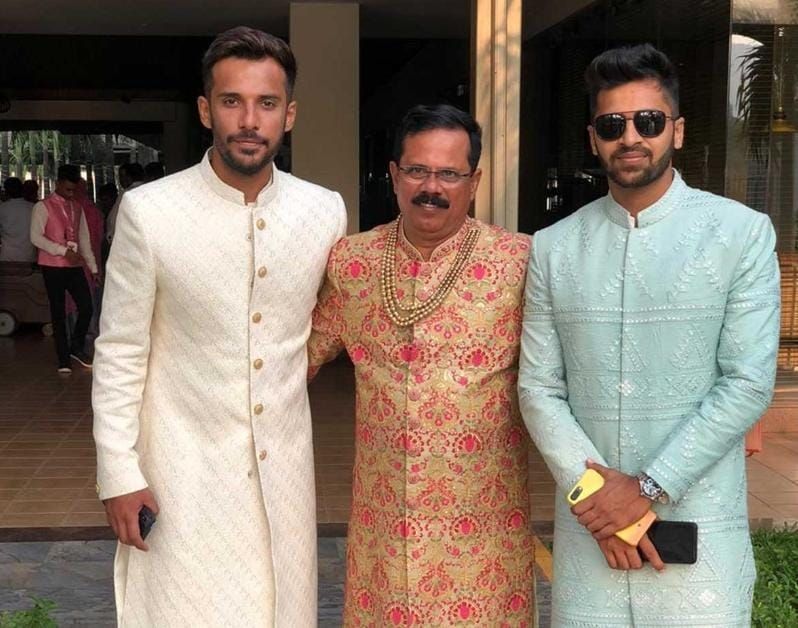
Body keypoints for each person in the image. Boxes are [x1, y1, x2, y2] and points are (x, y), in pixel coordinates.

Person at [518, 43, 780, 627]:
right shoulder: (554, 247)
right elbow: (538, 387)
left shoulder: (740, 234)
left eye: (649, 121)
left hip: (699, 531)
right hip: (593, 539)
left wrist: (647, 488)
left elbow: (747, 381)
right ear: (594, 139)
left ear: (678, 131)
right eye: (613, 124)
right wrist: (599, 500)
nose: (630, 137)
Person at [92, 26, 346, 626]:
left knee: (279, 610)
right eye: (232, 102)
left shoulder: (323, 210)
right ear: (207, 110)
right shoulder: (150, 212)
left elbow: (338, 322)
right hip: (180, 470)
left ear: (290, 114)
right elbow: (121, 350)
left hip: (282, 472)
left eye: (266, 103)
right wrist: (118, 472)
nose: (249, 120)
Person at [309, 104, 535, 626]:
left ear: (473, 181)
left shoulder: (518, 263)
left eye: (449, 174)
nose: (431, 187)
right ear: (393, 174)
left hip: (483, 536)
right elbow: (295, 359)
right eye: (417, 170)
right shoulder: (353, 261)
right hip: (384, 532)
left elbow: (571, 372)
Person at [30, 164, 98, 373]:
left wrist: (93, 267)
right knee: (57, 312)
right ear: (58, 183)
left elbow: (84, 239)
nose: (71, 193)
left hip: (75, 265)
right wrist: (61, 250)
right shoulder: (43, 206)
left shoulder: (76, 207)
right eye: (67, 189)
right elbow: (35, 237)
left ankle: (75, 347)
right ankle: (63, 359)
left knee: (87, 306)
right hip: (52, 266)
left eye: (73, 190)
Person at [105, 162, 144, 243]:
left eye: (124, 176)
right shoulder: (152, 190)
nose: (122, 180)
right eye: (120, 176)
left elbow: (112, 221)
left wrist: (111, 237)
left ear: (129, 177)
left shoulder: (126, 194)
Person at [0, 177, 36, 262]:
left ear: (6, 191)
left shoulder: (2, 208)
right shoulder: (33, 207)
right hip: (29, 257)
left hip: (7, 256)